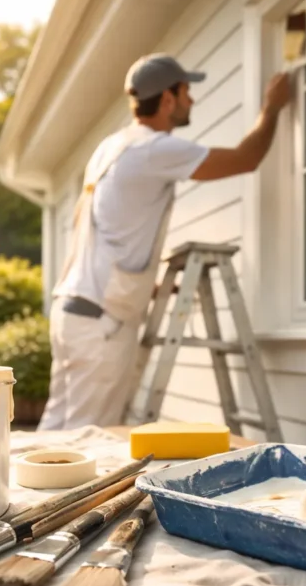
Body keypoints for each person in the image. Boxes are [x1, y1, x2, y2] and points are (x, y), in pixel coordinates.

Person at [38, 53, 291, 431]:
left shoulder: (112, 147)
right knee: (88, 441)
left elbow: (110, 229)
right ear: (168, 99)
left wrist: (143, 284)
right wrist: (272, 108)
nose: (192, 100)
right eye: (187, 91)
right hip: (101, 324)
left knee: (56, 432)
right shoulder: (154, 149)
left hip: (73, 312)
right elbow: (245, 158)